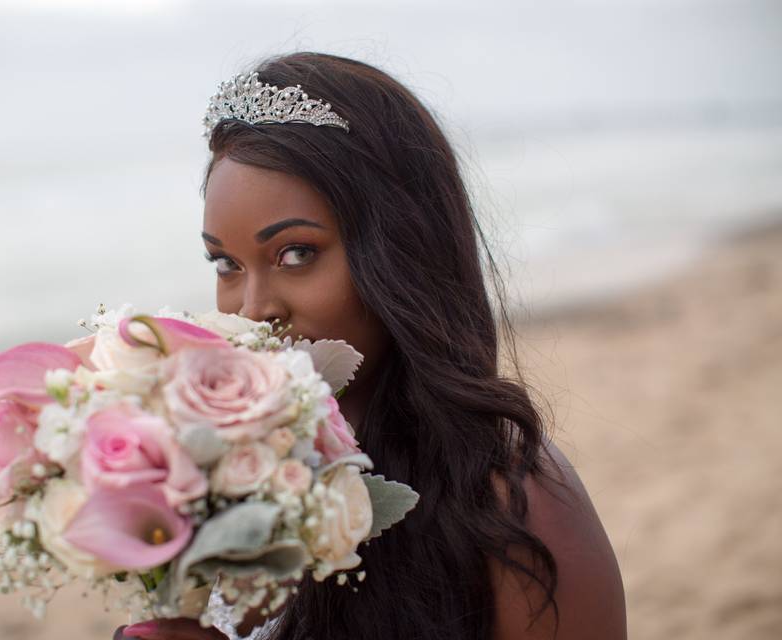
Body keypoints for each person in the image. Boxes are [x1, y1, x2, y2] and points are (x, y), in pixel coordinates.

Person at [116, 51, 626, 640]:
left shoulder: (509, 497)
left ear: (399, 250)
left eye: (296, 253)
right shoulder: (221, 478)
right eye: (226, 263)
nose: (254, 308)